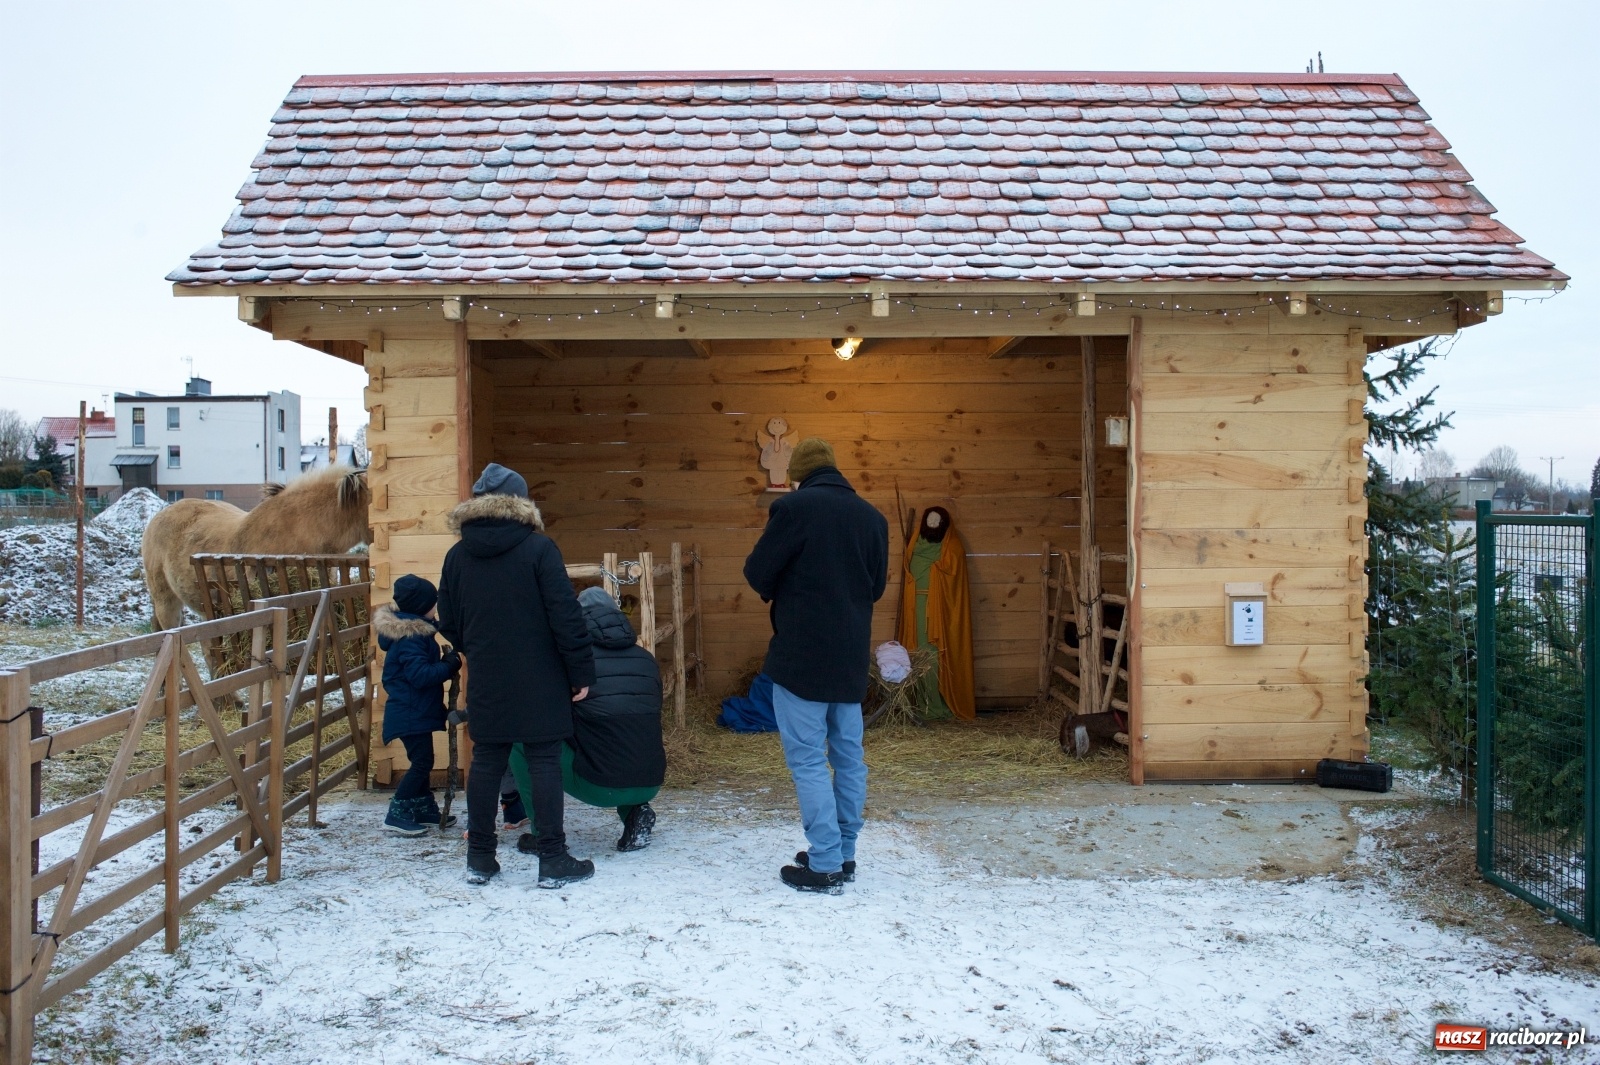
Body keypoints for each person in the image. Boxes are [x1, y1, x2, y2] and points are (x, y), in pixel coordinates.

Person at [437, 463, 597, 888]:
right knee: (544, 760)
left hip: (488, 675)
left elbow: (448, 622)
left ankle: (480, 860)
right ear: (521, 504)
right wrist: (580, 670)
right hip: (541, 674)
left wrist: (483, 651)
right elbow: (566, 616)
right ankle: (552, 860)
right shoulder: (539, 550)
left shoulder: (457, 556)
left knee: (487, 760)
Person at [743, 437, 889, 892]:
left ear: (800, 476)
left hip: (801, 658)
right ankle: (844, 853)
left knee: (807, 760)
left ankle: (823, 860)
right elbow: (876, 587)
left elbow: (757, 573)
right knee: (849, 759)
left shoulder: (794, 510)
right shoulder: (873, 519)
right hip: (848, 658)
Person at [508, 585, 666, 853]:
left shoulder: (571, 662)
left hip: (598, 786)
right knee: (622, 737)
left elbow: (544, 711)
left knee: (522, 740)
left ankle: (542, 833)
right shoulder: (646, 659)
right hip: (651, 780)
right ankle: (635, 811)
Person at [374, 574, 461, 836]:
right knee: (423, 762)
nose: (436, 607)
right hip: (410, 712)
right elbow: (420, 676)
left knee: (422, 760)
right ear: (423, 606)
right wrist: (449, 665)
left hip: (413, 711)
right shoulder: (411, 637)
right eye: (433, 603)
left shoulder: (414, 632)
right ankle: (397, 811)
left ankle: (423, 808)